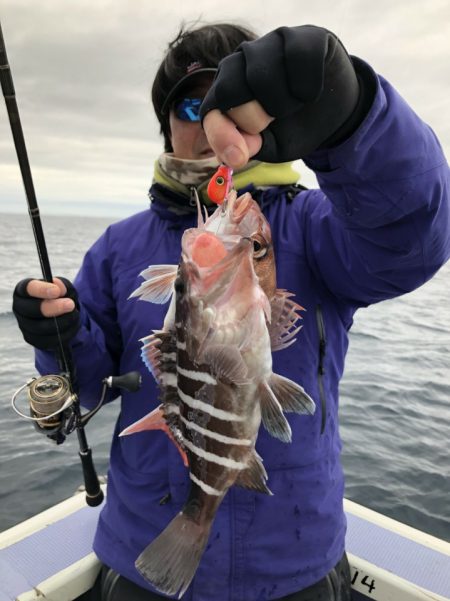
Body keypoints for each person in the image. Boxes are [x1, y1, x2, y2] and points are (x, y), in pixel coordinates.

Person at [12, 22, 450, 601]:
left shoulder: (321, 227)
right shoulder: (119, 247)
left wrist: (352, 120)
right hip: (144, 548)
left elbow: (412, 232)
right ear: (165, 124)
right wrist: (60, 336)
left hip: (294, 561)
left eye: (235, 101)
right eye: (193, 103)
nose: (212, 122)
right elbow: (88, 387)